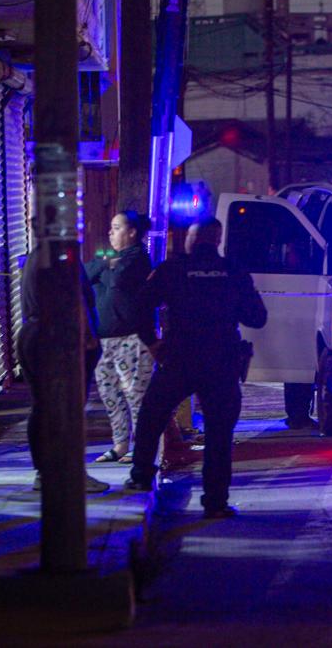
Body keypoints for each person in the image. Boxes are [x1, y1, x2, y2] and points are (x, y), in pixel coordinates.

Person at [124, 219, 267, 518]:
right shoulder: (234, 272)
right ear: (217, 239)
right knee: (219, 433)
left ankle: (139, 476)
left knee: (152, 413)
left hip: (179, 358)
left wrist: (152, 342)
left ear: (192, 240)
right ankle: (215, 502)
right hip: (221, 361)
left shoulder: (173, 269)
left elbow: (139, 306)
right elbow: (257, 317)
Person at [17, 236, 109, 494]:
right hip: (59, 339)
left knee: (44, 407)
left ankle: (45, 473)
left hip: (34, 334)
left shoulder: (37, 254)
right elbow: (75, 298)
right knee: (66, 409)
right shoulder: (60, 255)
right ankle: (69, 473)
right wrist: (89, 337)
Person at [87, 211, 157, 463]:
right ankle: (119, 444)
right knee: (109, 392)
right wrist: (105, 264)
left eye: (116, 228)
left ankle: (141, 447)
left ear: (132, 232)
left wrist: (103, 270)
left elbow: (117, 279)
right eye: (111, 227)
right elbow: (86, 274)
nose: (110, 232)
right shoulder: (111, 258)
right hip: (103, 340)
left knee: (135, 395)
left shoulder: (138, 258)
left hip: (132, 339)